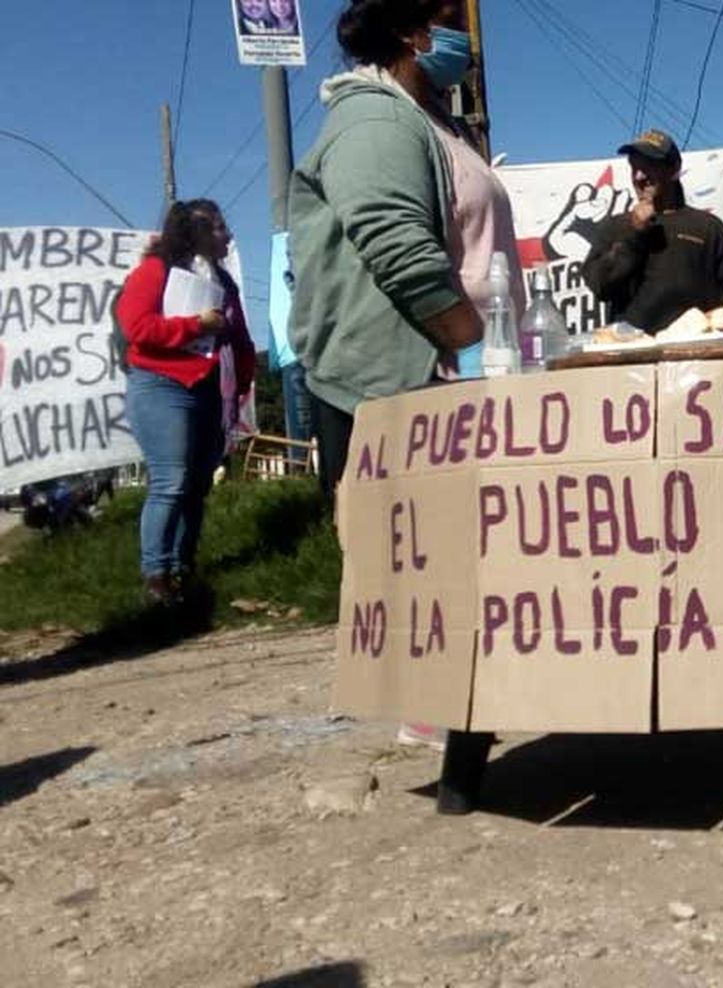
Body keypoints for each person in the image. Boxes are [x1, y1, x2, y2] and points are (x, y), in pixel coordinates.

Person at [289, 0, 504, 814]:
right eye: (450, 17)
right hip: (408, 364)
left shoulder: (426, 118)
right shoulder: (376, 118)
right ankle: (438, 706)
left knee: (465, 536)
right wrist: (458, 326)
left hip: (448, 362)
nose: (462, 36)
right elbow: (387, 226)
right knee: (427, 540)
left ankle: (460, 696)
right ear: (414, 33)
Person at [116, 200, 256, 605]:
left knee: (196, 485)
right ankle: (156, 575)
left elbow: (240, 339)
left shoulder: (224, 285)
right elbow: (137, 326)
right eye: (217, 228)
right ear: (193, 233)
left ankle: (182, 569)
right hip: (162, 386)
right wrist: (196, 325)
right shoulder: (154, 271)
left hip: (209, 388)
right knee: (171, 480)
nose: (227, 236)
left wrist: (242, 382)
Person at [581, 129, 723, 333]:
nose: (639, 176)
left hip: (694, 351)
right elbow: (600, 285)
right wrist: (635, 236)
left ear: (674, 169)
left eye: (649, 166)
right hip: (635, 354)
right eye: (634, 167)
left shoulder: (707, 227)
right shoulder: (616, 227)